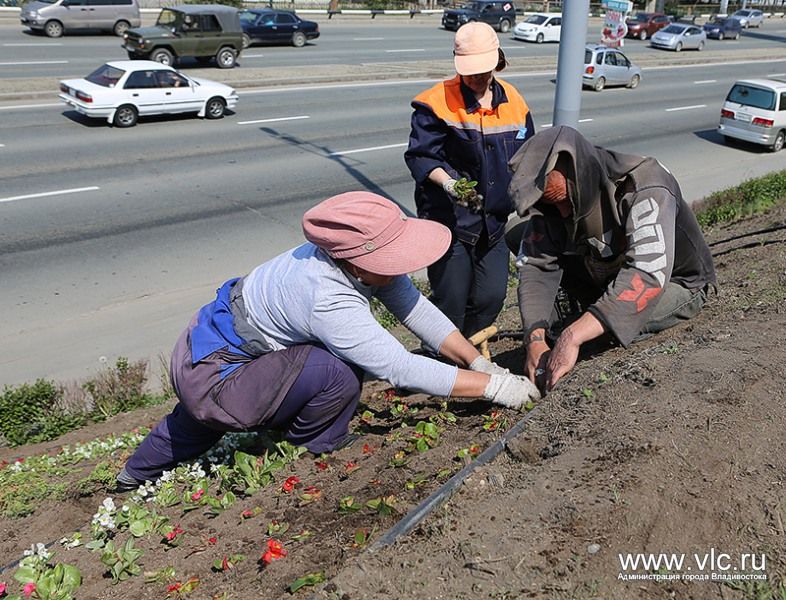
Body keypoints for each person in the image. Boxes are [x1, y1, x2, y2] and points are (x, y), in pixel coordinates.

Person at [116, 192, 540, 490]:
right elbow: (398, 366)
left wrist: (475, 361)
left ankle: (132, 475)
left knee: (194, 420)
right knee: (338, 373)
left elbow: (415, 309)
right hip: (218, 379)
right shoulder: (326, 297)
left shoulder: (341, 257)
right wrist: (496, 388)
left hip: (200, 352)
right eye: (391, 256)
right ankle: (315, 441)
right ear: (358, 261)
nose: (400, 267)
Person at [505, 126, 716, 392]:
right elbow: (536, 265)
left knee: (609, 331)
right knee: (516, 231)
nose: (561, 211)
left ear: (582, 176)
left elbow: (647, 276)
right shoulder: (553, 207)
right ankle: (587, 315)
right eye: (551, 205)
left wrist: (574, 334)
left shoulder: (645, 184)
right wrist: (534, 338)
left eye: (565, 201)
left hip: (677, 281)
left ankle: (586, 321)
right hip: (609, 273)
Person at [404, 22, 535, 341]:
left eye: (482, 70)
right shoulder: (435, 103)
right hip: (450, 224)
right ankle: (443, 365)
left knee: (491, 297)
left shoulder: (514, 101)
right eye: (469, 71)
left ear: (496, 61)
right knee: (451, 303)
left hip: (493, 225)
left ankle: (473, 355)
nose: (476, 78)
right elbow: (421, 156)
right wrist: (449, 184)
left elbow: (528, 153)